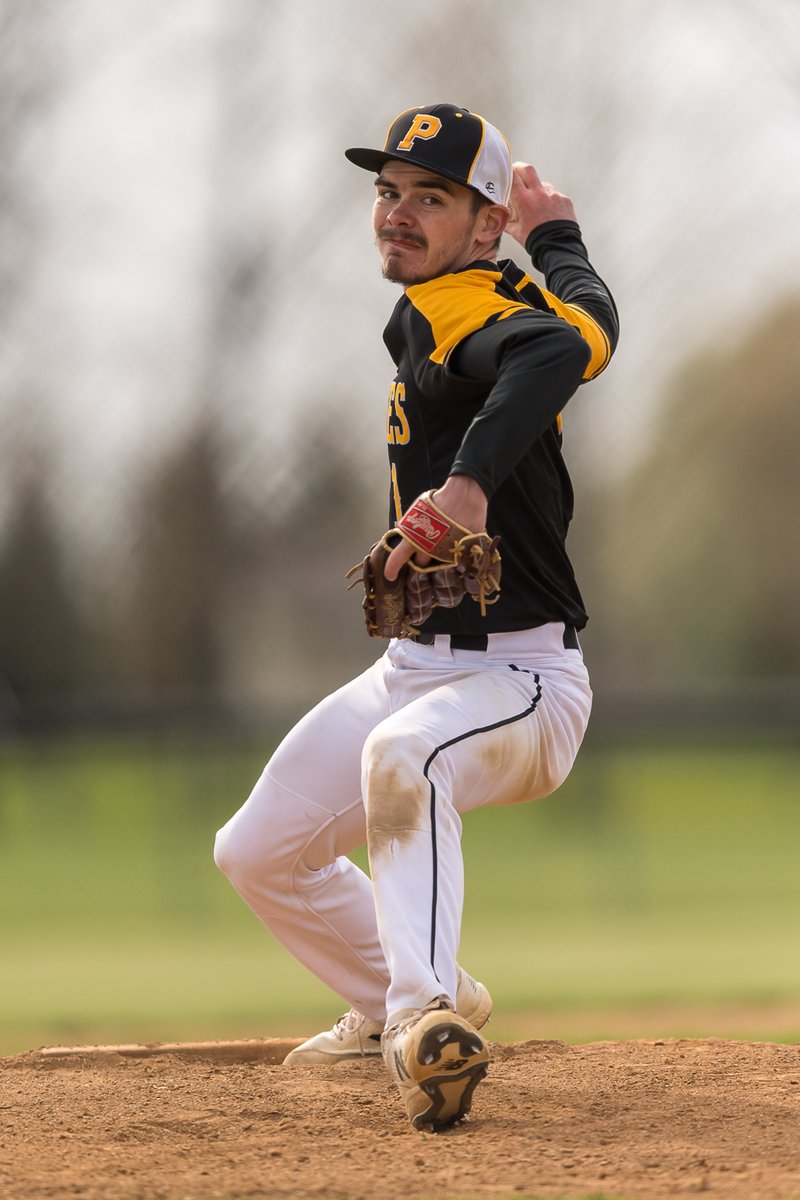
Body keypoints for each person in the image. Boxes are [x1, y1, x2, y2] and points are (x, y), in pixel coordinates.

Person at [214, 103, 618, 1132]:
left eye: (429, 198)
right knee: (257, 850)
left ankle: (422, 1018)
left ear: (483, 224)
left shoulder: (475, 310)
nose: (395, 213)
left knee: (406, 759)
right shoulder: (450, 299)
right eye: (387, 192)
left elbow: (553, 356)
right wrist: (559, 239)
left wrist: (470, 484)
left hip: (520, 682)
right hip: (417, 668)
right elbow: (585, 334)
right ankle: (390, 996)